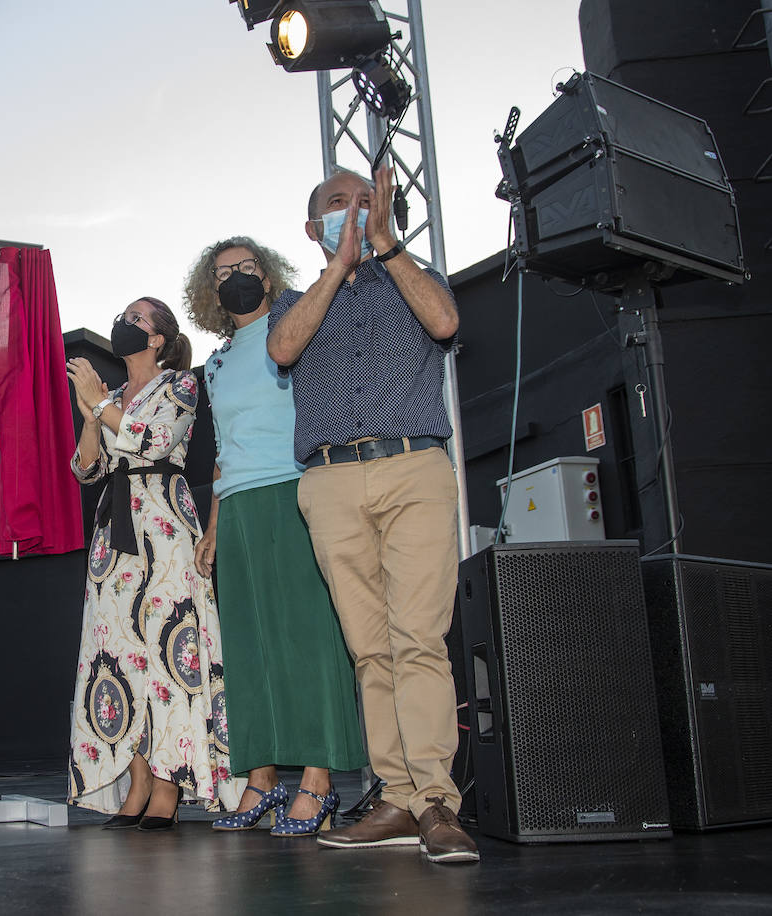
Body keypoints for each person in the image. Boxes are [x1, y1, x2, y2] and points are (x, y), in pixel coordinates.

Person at [266, 166, 479, 864]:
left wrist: (385, 246)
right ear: (311, 228)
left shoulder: (416, 278)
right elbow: (283, 348)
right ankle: (395, 796)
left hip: (413, 466)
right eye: (337, 204)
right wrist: (340, 266)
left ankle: (436, 803)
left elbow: (446, 322)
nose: (353, 210)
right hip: (328, 482)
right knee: (370, 648)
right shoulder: (298, 300)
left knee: (418, 638)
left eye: (365, 200)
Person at [181, 237, 366, 836]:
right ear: (210, 291)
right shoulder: (215, 361)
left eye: (247, 267)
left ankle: (318, 782)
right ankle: (259, 782)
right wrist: (212, 525)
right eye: (224, 272)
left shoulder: (297, 326)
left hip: (295, 489)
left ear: (268, 273)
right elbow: (220, 455)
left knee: (308, 636)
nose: (236, 277)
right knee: (247, 644)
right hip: (235, 506)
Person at [65, 296, 241, 830]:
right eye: (121, 315)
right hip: (113, 533)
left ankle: (167, 783)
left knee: (169, 651)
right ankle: (136, 781)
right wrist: (90, 412)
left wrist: (98, 406)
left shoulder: (180, 385)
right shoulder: (111, 395)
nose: (124, 323)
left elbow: (152, 441)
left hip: (163, 523)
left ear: (159, 337)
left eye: (136, 318)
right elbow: (85, 469)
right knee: (119, 654)